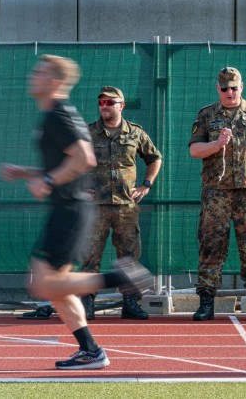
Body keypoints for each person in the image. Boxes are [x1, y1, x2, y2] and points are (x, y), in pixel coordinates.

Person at [0, 54, 152, 369]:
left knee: (44, 285)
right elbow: (65, 163)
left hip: (70, 210)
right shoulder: (54, 115)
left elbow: (84, 159)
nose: (33, 77)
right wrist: (28, 172)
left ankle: (119, 277)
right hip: (68, 207)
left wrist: (48, 179)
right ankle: (91, 350)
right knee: (58, 288)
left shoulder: (59, 114)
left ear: (55, 81)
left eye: (40, 72)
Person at [189, 67, 246, 321]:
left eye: (234, 87)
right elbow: (195, 150)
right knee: (211, 244)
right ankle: (206, 301)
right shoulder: (207, 115)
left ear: (241, 86)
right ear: (217, 89)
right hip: (215, 192)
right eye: (224, 88)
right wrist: (216, 144)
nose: (229, 92)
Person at [79, 86, 163, 320]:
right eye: (102, 102)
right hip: (95, 208)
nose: (104, 106)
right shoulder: (88, 132)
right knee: (90, 255)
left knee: (128, 257)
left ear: (121, 105)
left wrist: (146, 184)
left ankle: (130, 303)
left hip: (126, 207)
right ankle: (86, 304)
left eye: (110, 102)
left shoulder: (135, 133)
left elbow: (155, 158)